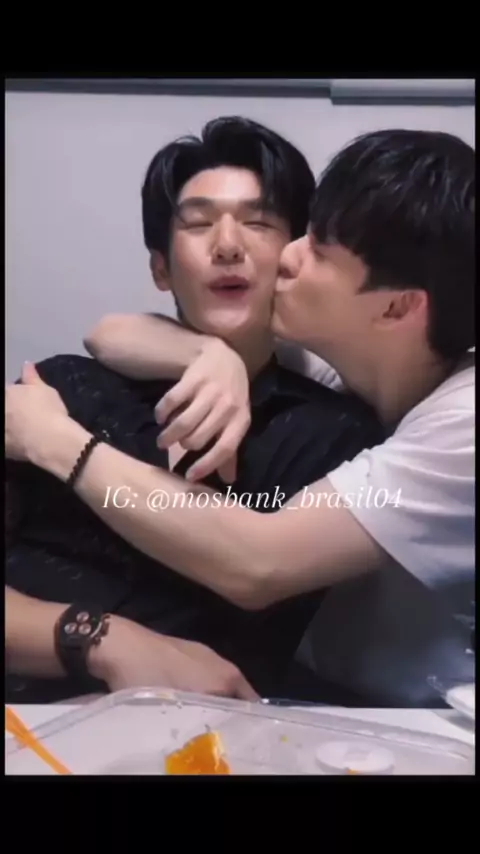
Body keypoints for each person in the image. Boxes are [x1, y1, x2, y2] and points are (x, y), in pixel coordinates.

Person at [83, 128, 476, 706]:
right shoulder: (345, 360)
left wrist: (59, 445)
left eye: (318, 250)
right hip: (307, 700)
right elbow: (109, 332)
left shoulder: (465, 423)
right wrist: (206, 354)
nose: (287, 254)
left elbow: (257, 563)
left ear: (397, 307)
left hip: (431, 722)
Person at [5, 117, 381, 704]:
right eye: (199, 223)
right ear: (161, 267)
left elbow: (255, 582)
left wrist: (57, 445)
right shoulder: (62, 389)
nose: (227, 245)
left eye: (258, 222)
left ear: (293, 258)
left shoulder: (331, 435)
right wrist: (97, 638)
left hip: (200, 734)